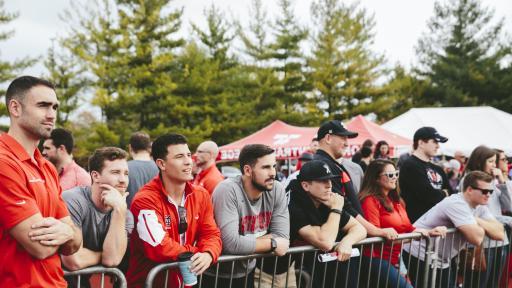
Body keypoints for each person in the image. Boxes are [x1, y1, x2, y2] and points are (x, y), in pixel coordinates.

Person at [0, 76, 82, 287]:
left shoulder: (46, 167)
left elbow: (75, 244)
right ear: (15, 108)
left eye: (54, 107)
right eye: (43, 106)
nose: (51, 115)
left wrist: (69, 232)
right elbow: (40, 248)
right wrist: (68, 233)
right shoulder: (3, 163)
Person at [126, 133, 222, 288]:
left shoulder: (200, 194)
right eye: (179, 157)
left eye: (189, 155)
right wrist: (196, 252)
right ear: (161, 164)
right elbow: (159, 247)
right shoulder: (145, 199)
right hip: (148, 283)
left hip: (186, 283)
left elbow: (211, 233)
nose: (188, 162)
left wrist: (208, 254)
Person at [205, 144, 290, 288]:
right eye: (265, 167)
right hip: (214, 274)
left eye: (274, 166)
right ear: (247, 170)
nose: (273, 173)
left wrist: (242, 242)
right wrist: (272, 243)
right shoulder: (227, 190)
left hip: (247, 271)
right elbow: (230, 243)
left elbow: (282, 236)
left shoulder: (277, 189)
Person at [403, 171, 505, 288]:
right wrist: (483, 226)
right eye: (485, 191)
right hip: (421, 253)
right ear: (470, 190)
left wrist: (477, 220)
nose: (488, 195)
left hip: (441, 258)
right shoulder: (456, 203)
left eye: (490, 191)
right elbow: (476, 238)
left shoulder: (480, 206)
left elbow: (500, 233)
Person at [359, 160, 446, 288]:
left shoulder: (397, 201)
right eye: (390, 175)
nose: (394, 177)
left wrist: (430, 232)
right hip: (376, 259)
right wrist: (409, 236)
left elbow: (409, 229)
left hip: (395, 260)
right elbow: (373, 233)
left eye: (396, 173)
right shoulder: (370, 200)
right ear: (376, 179)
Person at [314, 120, 400, 241]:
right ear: (328, 138)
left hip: (345, 240)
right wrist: (375, 231)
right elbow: (342, 207)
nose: (346, 143)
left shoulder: (331, 164)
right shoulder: (322, 165)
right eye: (343, 138)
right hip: (338, 244)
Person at [61, 147, 134, 287]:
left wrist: (119, 210)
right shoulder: (73, 200)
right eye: (115, 173)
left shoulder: (124, 212)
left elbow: (112, 261)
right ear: (95, 176)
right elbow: (73, 261)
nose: (123, 180)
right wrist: (102, 255)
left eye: (126, 174)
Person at [288, 160, 367, 288]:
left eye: (330, 180)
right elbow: (325, 242)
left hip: (304, 268)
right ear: (306, 186)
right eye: (322, 181)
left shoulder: (324, 198)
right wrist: (336, 208)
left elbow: (360, 228)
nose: (329, 185)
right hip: (274, 269)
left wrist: (347, 242)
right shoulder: (294, 202)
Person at [463, 145, 511, 287]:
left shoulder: (494, 182)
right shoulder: (468, 181)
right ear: (480, 161)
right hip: (481, 242)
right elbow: (476, 212)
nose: (494, 165)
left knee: (493, 284)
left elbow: (509, 206)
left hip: (500, 240)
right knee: (478, 284)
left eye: (495, 161)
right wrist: (506, 220)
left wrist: (502, 182)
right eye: (490, 161)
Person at [399, 126, 453, 222]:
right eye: (434, 142)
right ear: (421, 143)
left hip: (439, 225)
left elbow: (451, 193)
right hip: (419, 226)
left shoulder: (437, 168)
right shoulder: (410, 165)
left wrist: (442, 193)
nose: (438, 146)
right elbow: (428, 195)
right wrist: (444, 193)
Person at [126, 132, 158, 206]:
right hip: (156, 215)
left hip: (131, 215)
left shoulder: (124, 168)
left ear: (130, 147)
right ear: (149, 148)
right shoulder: (161, 168)